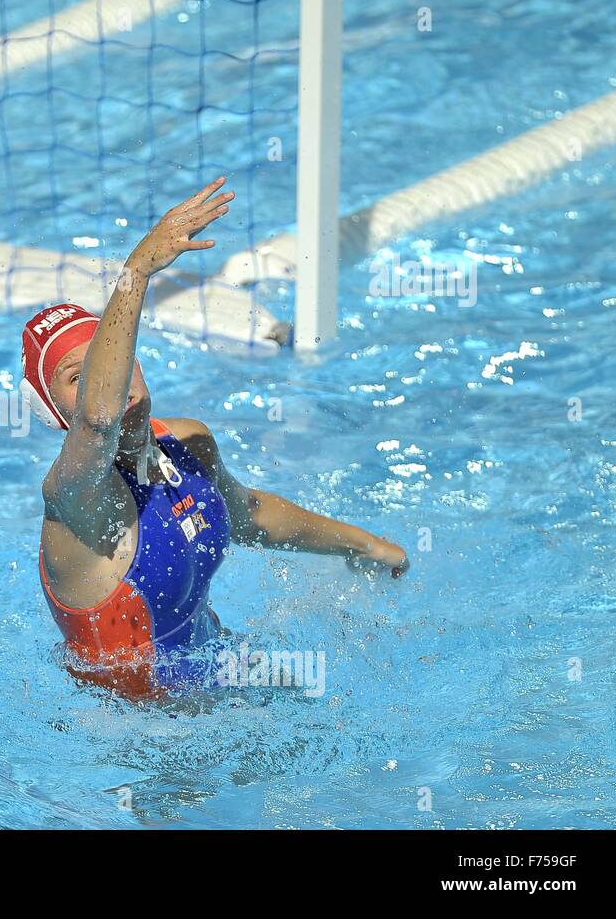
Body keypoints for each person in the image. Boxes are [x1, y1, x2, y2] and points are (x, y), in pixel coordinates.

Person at [21, 177, 409, 699]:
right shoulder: (76, 504)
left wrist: (365, 545)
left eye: (107, 360)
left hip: (224, 678)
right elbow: (98, 419)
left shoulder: (186, 444)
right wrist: (136, 272)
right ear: (56, 411)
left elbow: (249, 514)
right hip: (149, 743)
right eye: (79, 377)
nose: (109, 381)